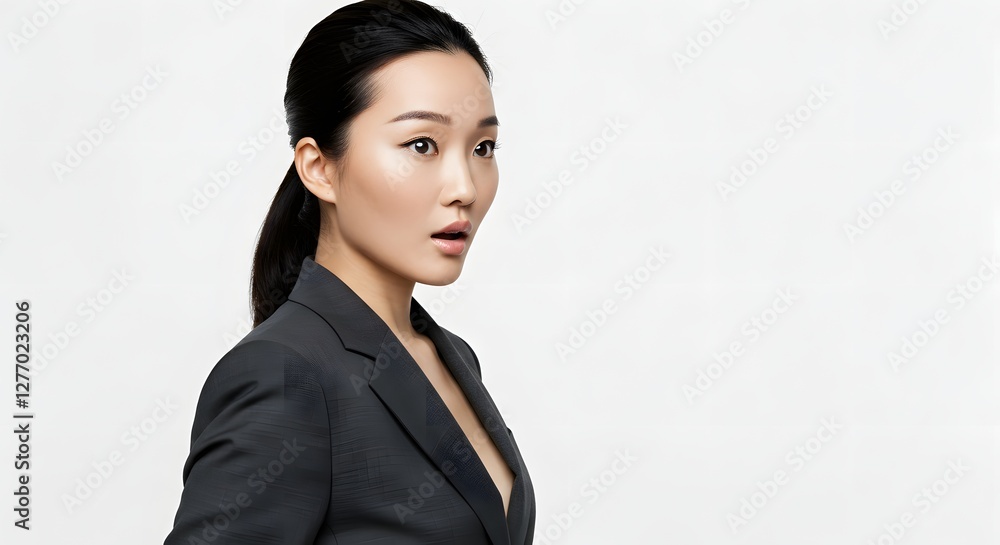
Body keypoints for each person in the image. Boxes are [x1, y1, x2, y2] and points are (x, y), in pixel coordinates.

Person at [162, 1, 536, 543]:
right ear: (320, 168)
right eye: (421, 145)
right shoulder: (283, 374)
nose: (465, 188)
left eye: (482, 147)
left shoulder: (452, 355)